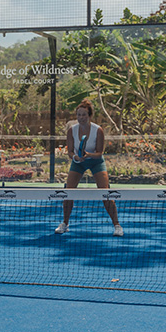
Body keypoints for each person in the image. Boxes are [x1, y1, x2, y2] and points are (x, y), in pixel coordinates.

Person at [55, 98, 123, 237]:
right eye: (79, 115)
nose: (81, 118)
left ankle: (117, 225)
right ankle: (65, 224)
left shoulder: (98, 130)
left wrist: (88, 155)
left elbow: (99, 153)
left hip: (95, 162)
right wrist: (76, 157)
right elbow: (70, 152)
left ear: (90, 116)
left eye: (84, 115)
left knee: (105, 193)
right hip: (78, 162)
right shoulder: (71, 131)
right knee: (68, 192)